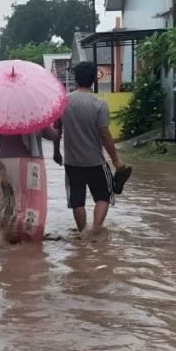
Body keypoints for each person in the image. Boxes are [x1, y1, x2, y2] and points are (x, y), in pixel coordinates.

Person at [52, 61, 129, 232]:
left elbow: (57, 130)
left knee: (76, 199)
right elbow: (104, 134)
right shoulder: (99, 104)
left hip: (72, 162)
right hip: (95, 162)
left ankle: (83, 233)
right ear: (94, 79)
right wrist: (116, 160)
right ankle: (96, 229)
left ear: (76, 80)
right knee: (104, 196)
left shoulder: (63, 103)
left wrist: (56, 152)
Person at [0, 126, 60, 243]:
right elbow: (53, 135)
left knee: (7, 201)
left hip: (5, 162)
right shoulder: (35, 114)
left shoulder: (1, 114)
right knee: (33, 201)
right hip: (31, 163)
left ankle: (7, 237)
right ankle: (30, 237)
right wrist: (56, 125)